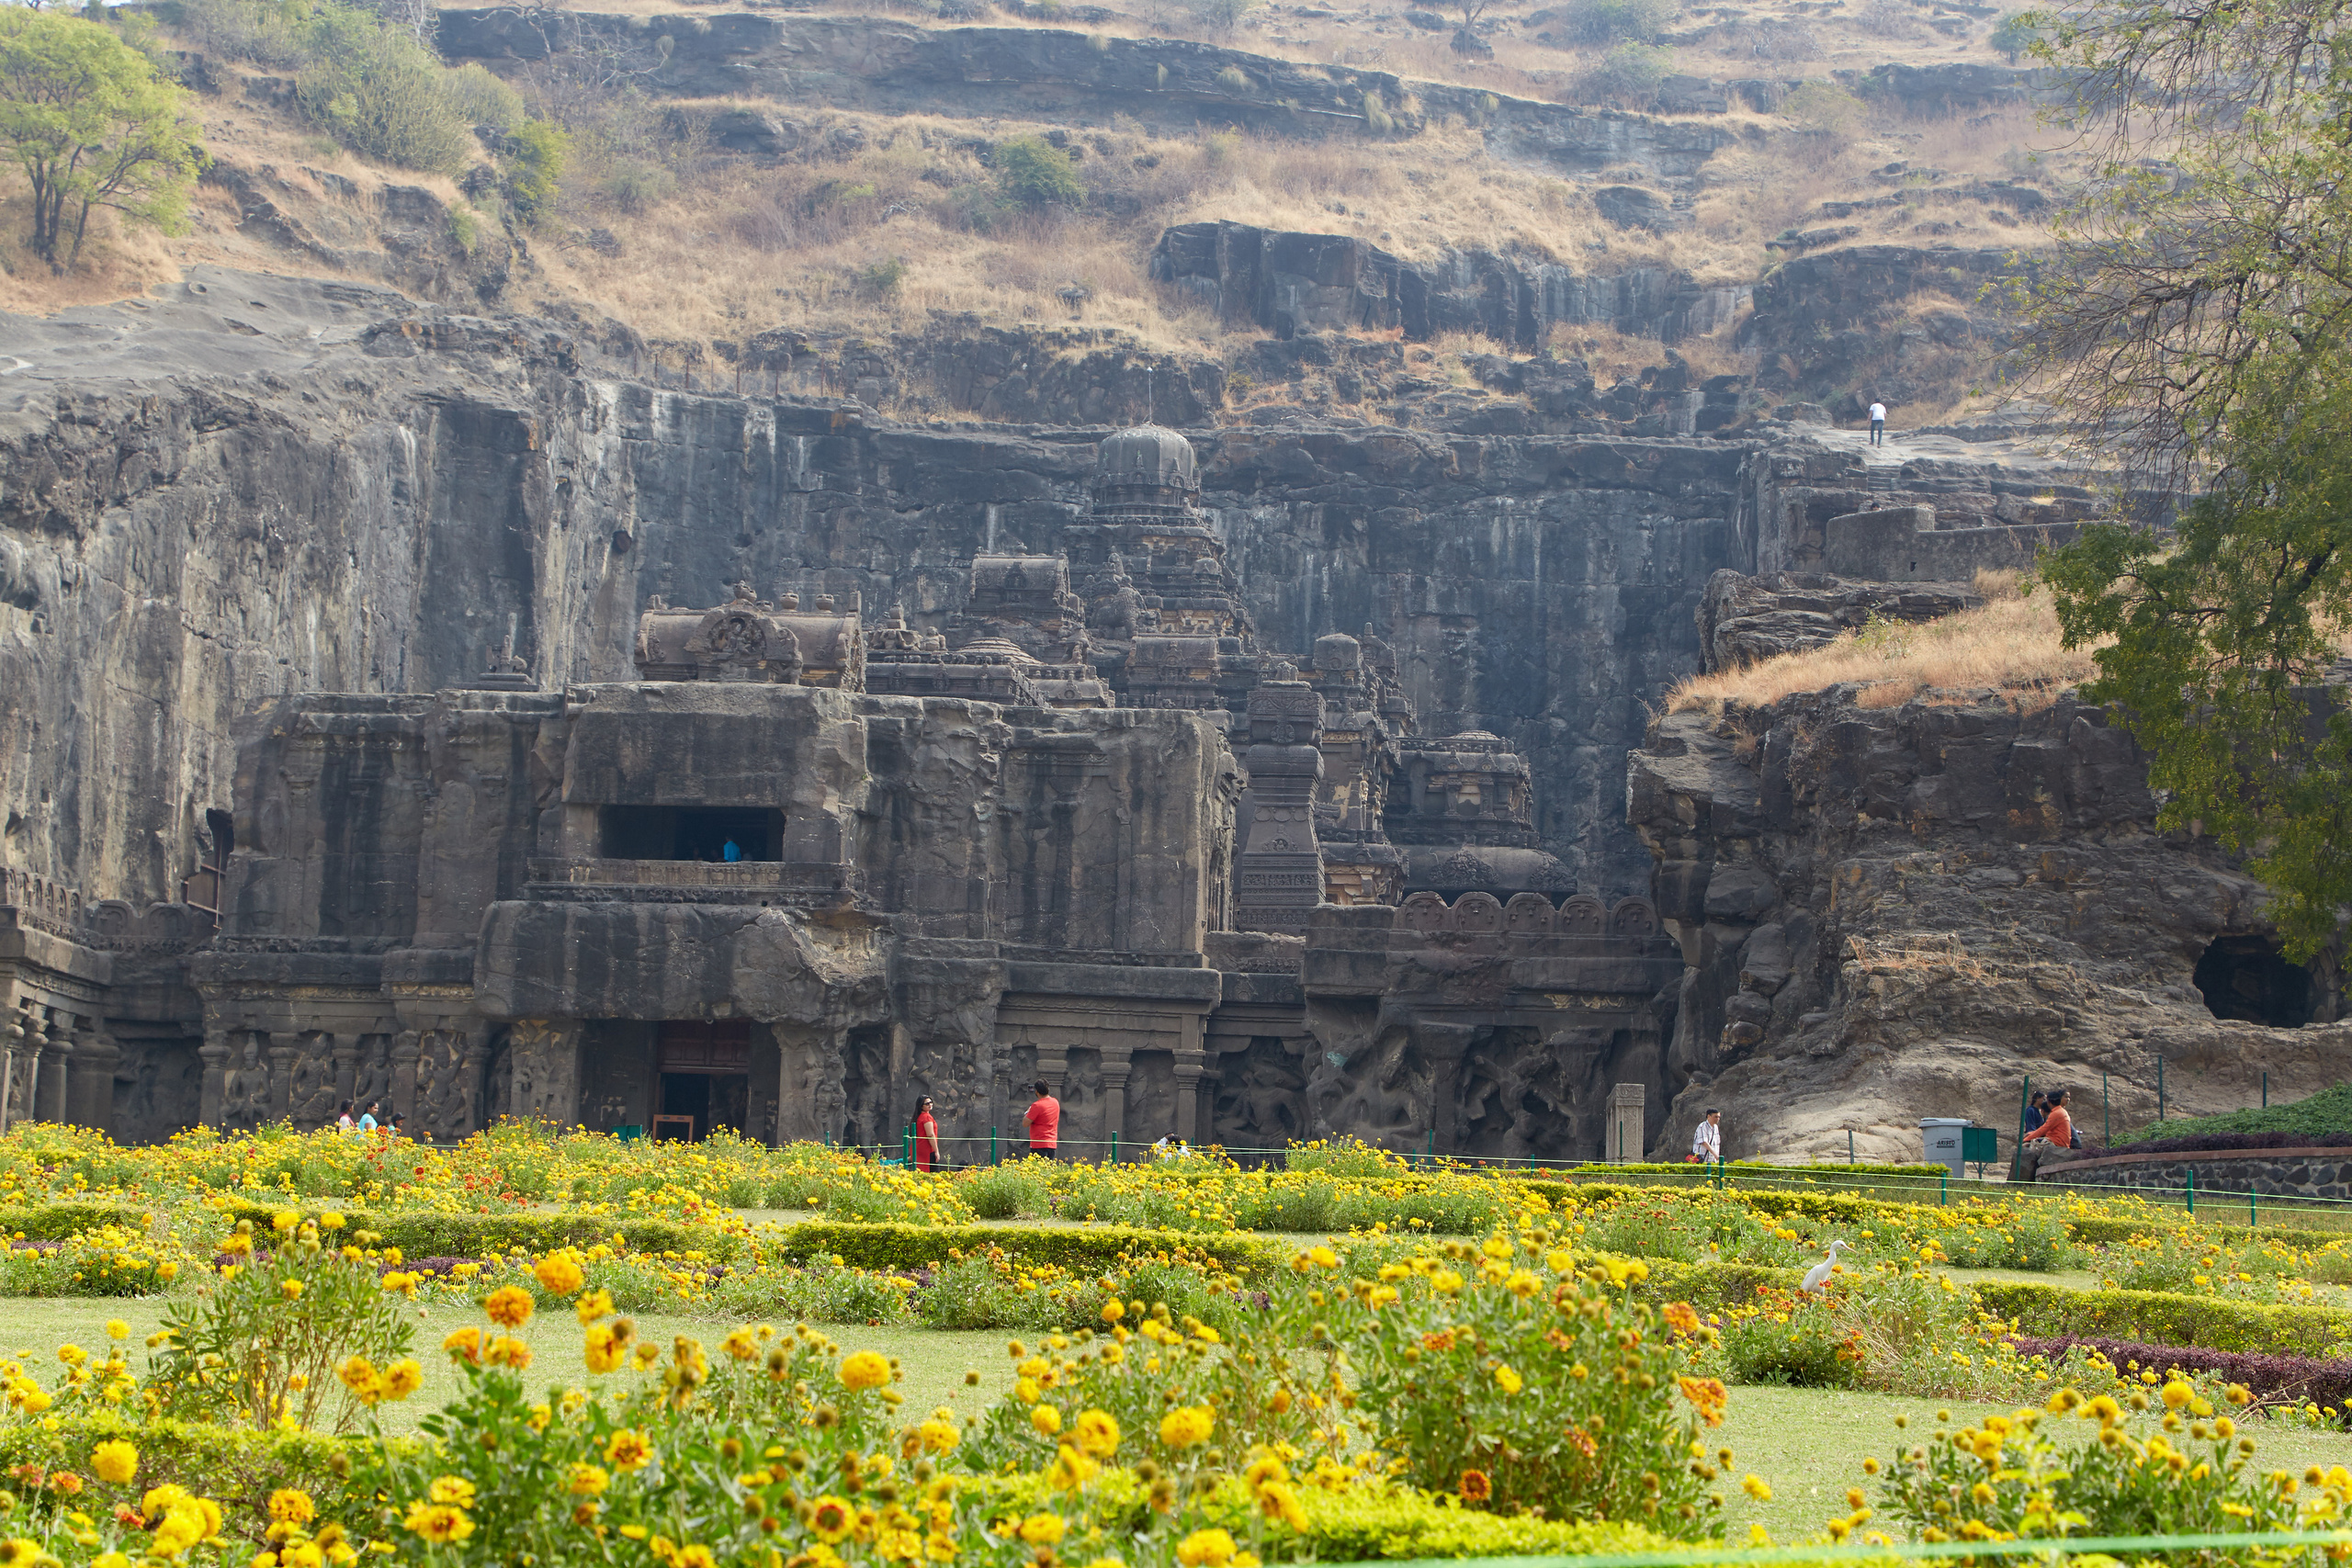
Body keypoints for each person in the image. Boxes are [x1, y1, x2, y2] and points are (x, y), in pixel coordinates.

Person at [1024, 1080, 1059, 1160]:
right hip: (1051, 1143)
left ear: (1036, 1091)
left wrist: (1028, 1112)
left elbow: (1025, 1123)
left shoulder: (1037, 1105)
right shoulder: (1055, 1102)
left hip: (1039, 1144)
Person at [913, 1096, 941, 1171]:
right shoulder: (927, 1117)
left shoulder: (920, 1117)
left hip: (921, 1148)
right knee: (933, 1174)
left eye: (931, 1102)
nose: (930, 1104)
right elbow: (930, 1135)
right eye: (927, 1103)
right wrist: (936, 1151)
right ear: (921, 1106)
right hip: (928, 1150)